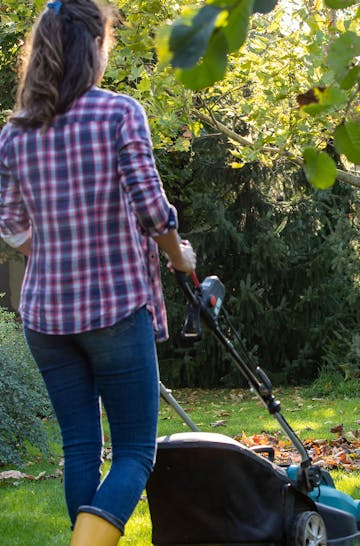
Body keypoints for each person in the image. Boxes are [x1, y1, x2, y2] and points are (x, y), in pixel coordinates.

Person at [0, 1, 196, 544]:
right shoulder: (118, 114)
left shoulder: (15, 135)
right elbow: (153, 212)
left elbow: (11, 226)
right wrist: (180, 257)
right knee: (135, 448)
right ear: (94, 47)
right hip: (112, 307)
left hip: (45, 315)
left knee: (80, 446)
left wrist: (61, 243)